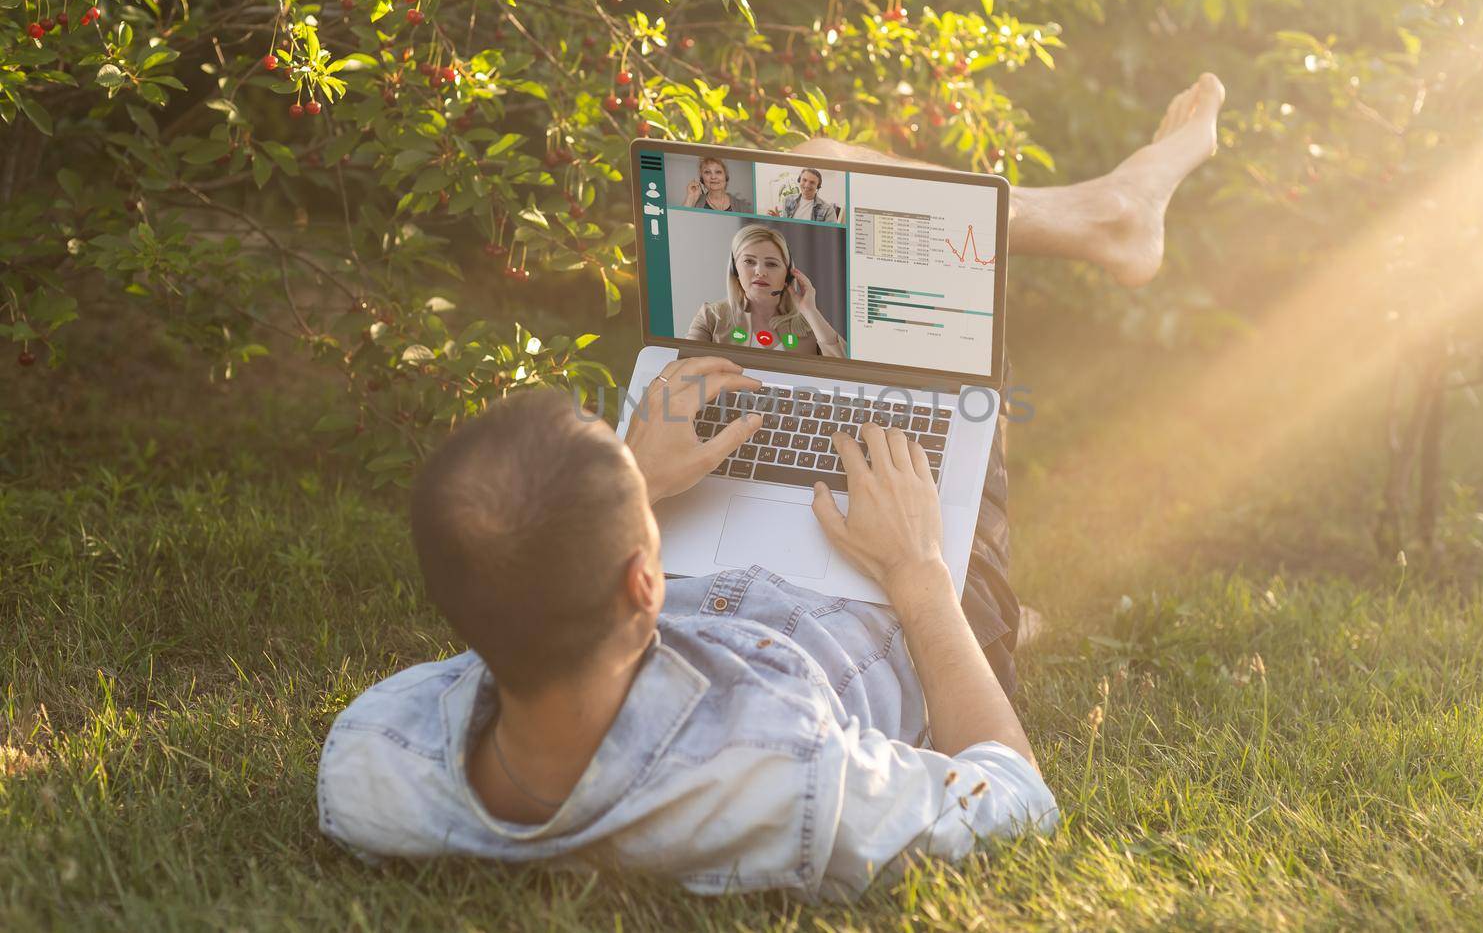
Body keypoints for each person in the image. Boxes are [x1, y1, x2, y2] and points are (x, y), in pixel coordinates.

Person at [317, 72, 1228, 899]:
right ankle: (1110, 213)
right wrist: (914, 570)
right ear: (643, 581)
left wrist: (633, 475)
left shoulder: (374, 763)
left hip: (704, 591)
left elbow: (517, 592)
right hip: (875, 599)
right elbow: (1018, 802)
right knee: (830, 179)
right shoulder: (788, 774)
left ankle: (1103, 213)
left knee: (812, 171)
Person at [685, 224, 845, 357]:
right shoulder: (711, 316)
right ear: (735, 270)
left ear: (788, 274)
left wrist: (810, 311)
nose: (760, 271)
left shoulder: (809, 323)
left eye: (771, 264)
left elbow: (845, 372)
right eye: (749, 261)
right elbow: (685, 371)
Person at [768, 167, 840, 223]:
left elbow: (831, 235)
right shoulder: (788, 200)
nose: (807, 185)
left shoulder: (828, 210)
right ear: (799, 180)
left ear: (817, 187)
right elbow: (785, 227)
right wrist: (778, 220)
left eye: (812, 182)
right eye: (804, 180)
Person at [681, 156, 753, 213]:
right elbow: (680, 221)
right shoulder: (695, 203)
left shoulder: (742, 206)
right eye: (707, 172)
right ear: (702, 178)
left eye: (718, 172)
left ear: (726, 176)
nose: (713, 177)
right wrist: (691, 197)